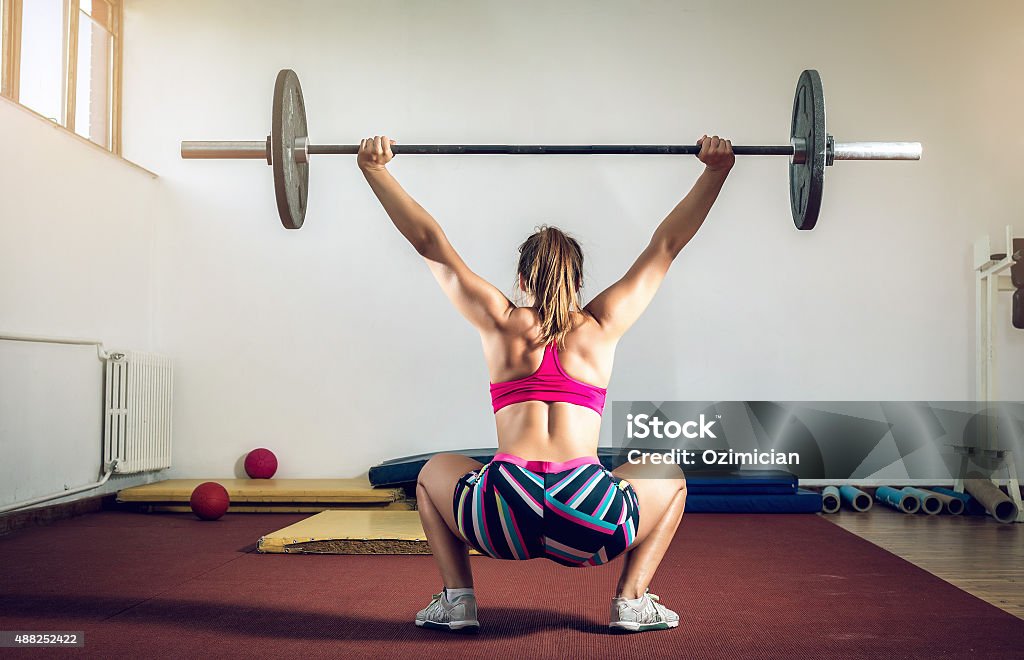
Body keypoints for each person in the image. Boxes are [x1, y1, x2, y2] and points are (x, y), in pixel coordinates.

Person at [358, 134, 734, 633]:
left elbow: (430, 244)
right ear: (578, 280)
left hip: (501, 512)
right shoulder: (602, 325)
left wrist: (376, 171)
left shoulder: (500, 321)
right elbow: (666, 245)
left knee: (432, 474)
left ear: (521, 276)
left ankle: (459, 600)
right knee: (670, 477)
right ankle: (631, 601)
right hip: (588, 515)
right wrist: (715, 173)